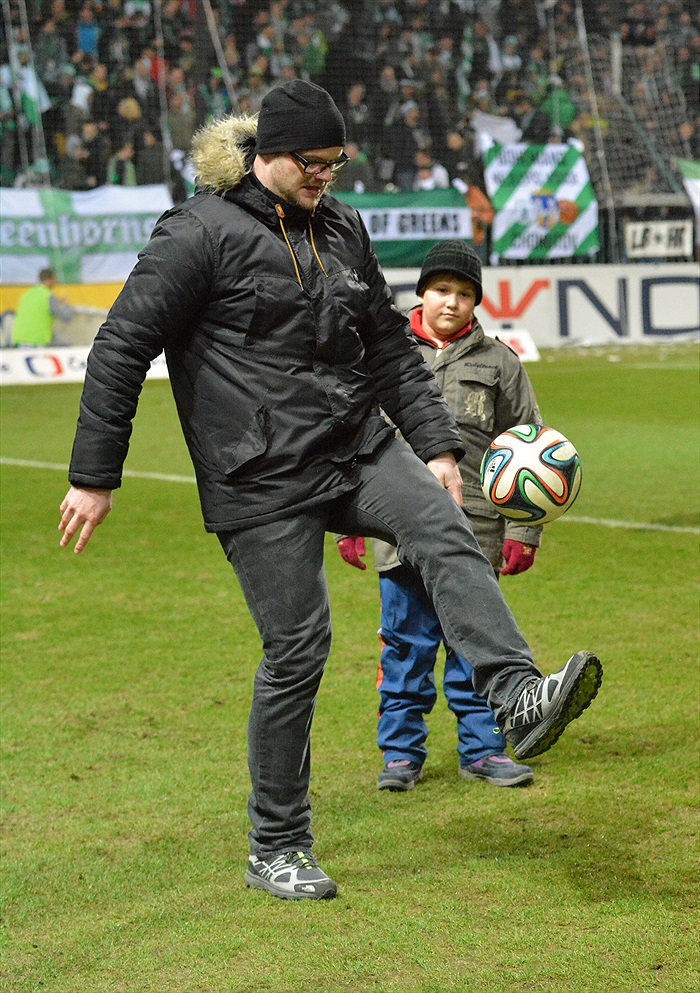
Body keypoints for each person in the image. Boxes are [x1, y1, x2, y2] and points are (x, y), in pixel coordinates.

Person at [57, 79, 602, 904]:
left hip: (356, 444)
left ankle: (516, 697)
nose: (325, 178)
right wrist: (95, 475)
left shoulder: (342, 225)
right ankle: (276, 843)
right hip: (259, 474)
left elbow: (386, 344)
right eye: (313, 164)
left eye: (335, 163)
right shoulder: (197, 232)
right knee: (298, 650)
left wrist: (438, 449)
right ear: (267, 154)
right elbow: (123, 344)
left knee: (444, 528)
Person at [337, 241, 544, 792]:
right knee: (404, 645)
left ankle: (484, 749)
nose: (451, 303)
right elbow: (348, 436)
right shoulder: (381, 354)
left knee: (472, 643)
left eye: (464, 294)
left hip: (476, 529)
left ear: (476, 302)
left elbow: (529, 447)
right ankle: (401, 755)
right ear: (421, 294)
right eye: (441, 290)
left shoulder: (501, 362)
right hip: (393, 528)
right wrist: (348, 523)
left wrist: (524, 530)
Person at [12, 267, 75, 347]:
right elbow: (67, 316)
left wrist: (57, 302)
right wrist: (66, 304)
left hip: (18, 342)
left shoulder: (26, 294)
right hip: (37, 343)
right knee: (67, 345)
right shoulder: (48, 296)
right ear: (51, 279)